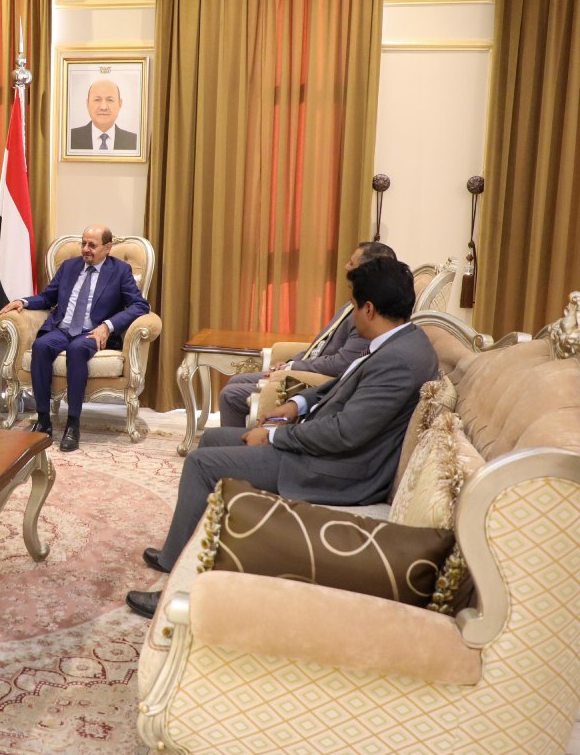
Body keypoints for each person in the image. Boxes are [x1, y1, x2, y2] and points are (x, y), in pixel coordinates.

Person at [126, 256, 439, 618]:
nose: (352, 314)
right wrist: (297, 403)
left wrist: (276, 437)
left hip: (337, 470)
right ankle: (177, 557)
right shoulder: (402, 341)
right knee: (212, 440)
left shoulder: (399, 361)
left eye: (354, 305)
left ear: (369, 309)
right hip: (327, 450)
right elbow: (346, 384)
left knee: (200, 464)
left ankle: (177, 593)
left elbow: (345, 433)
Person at [0, 224, 150, 452]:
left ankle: (72, 424)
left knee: (77, 350)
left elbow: (140, 305)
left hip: (92, 332)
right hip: (62, 329)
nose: (85, 249)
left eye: (92, 245)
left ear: (108, 247)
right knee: (41, 346)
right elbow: (48, 297)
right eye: (83, 243)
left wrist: (107, 326)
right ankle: (43, 420)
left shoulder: (120, 271)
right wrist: (23, 302)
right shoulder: (70, 267)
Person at [217, 241, 398, 426]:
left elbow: (341, 364)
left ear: (367, 271)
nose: (346, 266)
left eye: (352, 263)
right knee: (235, 381)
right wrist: (288, 363)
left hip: (313, 382)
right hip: (304, 369)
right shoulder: (351, 304)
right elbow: (319, 346)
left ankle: (236, 442)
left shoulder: (368, 315)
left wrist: (292, 368)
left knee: (230, 395)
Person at [69, 79, 138, 152]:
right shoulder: (69, 138)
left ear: (120, 104)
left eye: (110, 100)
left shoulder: (134, 141)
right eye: (97, 100)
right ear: (87, 103)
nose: (103, 107)